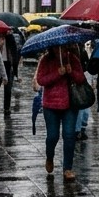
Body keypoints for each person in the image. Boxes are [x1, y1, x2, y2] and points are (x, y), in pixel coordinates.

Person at [35, 43, 86, 181]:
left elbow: (81, 78)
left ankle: (67, 168)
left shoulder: (72, 58)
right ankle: (49, 157)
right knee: (53, 136)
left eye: (63, 47)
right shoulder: (46, 60)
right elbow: (41, 80)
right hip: (51, 105)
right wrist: (58, 73)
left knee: (69, 135)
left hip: (70, 104)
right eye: (57, 47)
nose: (61, 49)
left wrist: (71, 72)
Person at [0, 32, 19, 113]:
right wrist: (0, 45)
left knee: (8, 88)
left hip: (8, 64)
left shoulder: (10, 38)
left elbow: (14, 53)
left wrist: (15, 71)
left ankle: (7, 107)